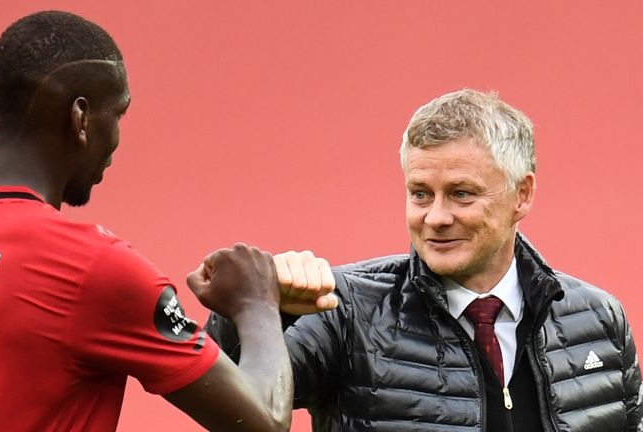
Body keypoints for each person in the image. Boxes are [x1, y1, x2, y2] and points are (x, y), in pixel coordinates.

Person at [0, 11, 337, 432]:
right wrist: (256, 303)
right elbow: (264, 423)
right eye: (118, 114)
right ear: (80, 118)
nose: (116, 140)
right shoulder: (92, 268)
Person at [209, 89, 643, 431]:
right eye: (420, 193)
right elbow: (228, 404)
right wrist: (258, 310)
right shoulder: (340, 309)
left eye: (461, 193)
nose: (435, 217)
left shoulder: (599, 319)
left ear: (522, 194)